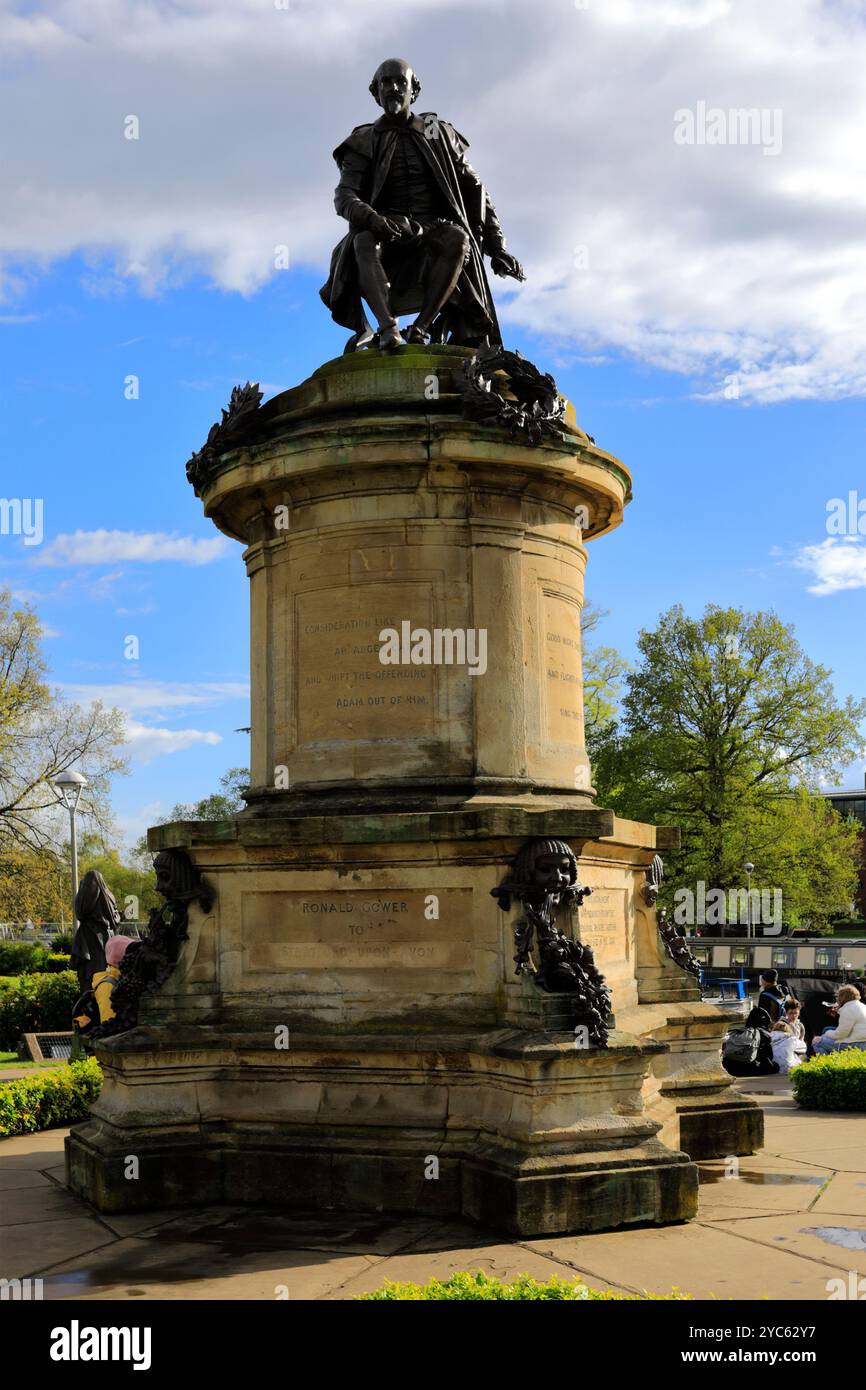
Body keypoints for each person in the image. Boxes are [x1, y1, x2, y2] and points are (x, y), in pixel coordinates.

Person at [320, 57, 525, 351]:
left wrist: (496, 246)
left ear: (413, 91)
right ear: (375, 92)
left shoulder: (437, 131)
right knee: (362, 240)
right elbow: (344, 195)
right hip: (385, 228)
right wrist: (372, 219)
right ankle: (388, 328)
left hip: (432, 229)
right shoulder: (363, 140)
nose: (392, 88)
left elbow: (475, 188)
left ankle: (421, 328)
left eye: (400, 82)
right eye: (385, 83)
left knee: (458, 237)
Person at [722, 1007, 779, 1076]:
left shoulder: (740, 1031)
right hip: (749, 1069)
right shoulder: (763, 1034)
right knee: (776, 1066)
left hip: (731, 1069)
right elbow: (769, 1056)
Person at [812, 984, 866, 1055]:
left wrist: (826, 1034)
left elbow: (841, 1034)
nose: (837, 999)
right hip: (861, 1041)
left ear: (842, 998)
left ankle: (829, 1064)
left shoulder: (848, 1009)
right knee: (824, 1035)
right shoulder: (862, 1006)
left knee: (816, 1042)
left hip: (856, 1045)